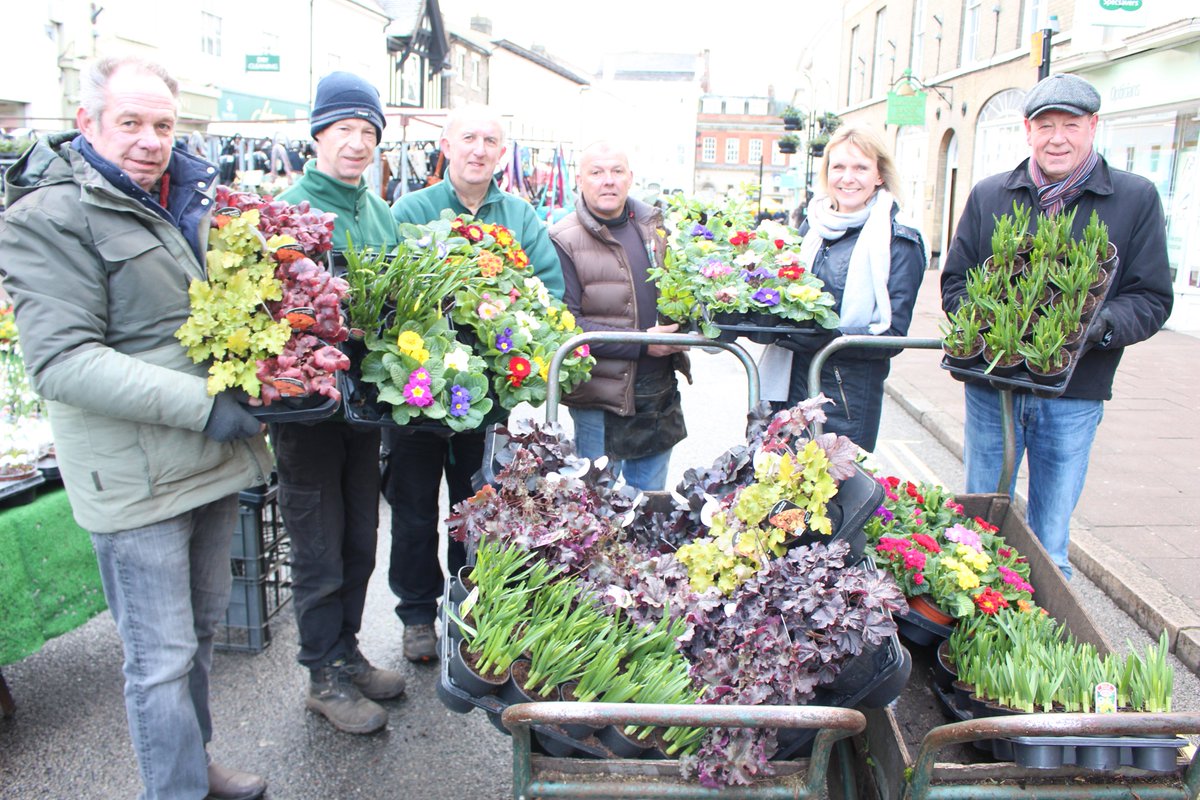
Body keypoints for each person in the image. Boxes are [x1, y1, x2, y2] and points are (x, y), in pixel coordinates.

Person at [0, 56, 272, 800]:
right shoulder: (47, 216)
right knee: (158, 660)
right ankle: (174, 788)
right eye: (131, 123)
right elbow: (62, 361)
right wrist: (205, 405)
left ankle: (196, 765)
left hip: (207, 460)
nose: (151, 141)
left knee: (200, 640)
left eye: (162, 125)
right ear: (86, 123)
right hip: (135, 478)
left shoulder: (182, 198)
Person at [941, 73, 1173, 577]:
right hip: (991, 388)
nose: (1057, 137)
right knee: (977, 524)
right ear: (1027, 129)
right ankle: (970, 634)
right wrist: (981, 322)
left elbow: (1152, 297)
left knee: (1049, 543)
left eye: (1071, 124)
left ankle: (1037, 643)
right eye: (1045, 125)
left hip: (1074, 392)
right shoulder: (989, 195)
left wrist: (1099, 325)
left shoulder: (1134, 199)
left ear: (1093, 127)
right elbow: (956, 282)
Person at [387, 104, 564, 663]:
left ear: (502, 151)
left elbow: (548, 295)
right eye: (469, 137)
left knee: (480, 508)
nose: (479, 149)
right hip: (420, 392)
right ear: (446, 144)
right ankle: (417, 613)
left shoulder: (520, 215)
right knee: (414, 510)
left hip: (491, 397)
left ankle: (470, 609)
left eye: (491, 139)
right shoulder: (411, 209)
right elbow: (387, 295)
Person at [272, 71, 405, 734]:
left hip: (366, 403)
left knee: (360, 533)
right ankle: (321, 672)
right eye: (344, 129)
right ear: (318, 135)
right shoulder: (292, 208)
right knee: (318, 541)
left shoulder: (378, 209)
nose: (356, 143)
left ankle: (347, 650)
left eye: (367, 132)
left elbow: (398, 296)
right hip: (309, 409)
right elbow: (271, 313)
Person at [764, 124, 926, 452]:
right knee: (779, 495)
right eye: (838, 167)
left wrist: (825, 337)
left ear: (879, 175)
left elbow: (892, 335)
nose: (847, 178)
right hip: (789, 387)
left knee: (836, 500)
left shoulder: (899, 240)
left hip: (846, 399)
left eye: (860, 168)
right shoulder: (812, 227)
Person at [549, 141, 689, 490]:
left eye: (616, 171)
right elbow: (566, 323)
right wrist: (643, 345)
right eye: (597, 172)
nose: (607, 180)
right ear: (579, 179)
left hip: (658, 392)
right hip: (600, 397)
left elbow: (682, 293)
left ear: (630, 178)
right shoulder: (561, 238)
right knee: (598, 509)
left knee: (650, 507)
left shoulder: (657, 229)